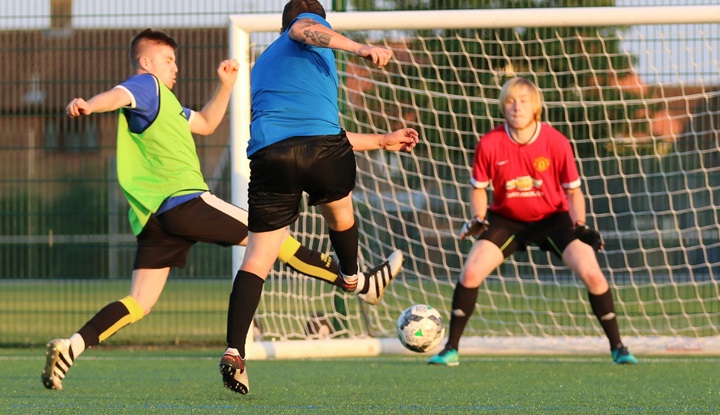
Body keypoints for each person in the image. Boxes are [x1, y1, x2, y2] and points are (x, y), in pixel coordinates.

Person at [42, 28, 415, 391]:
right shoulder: (147, 85)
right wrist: (90, 104)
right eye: (168, 59)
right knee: (275, 241)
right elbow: (118, 94)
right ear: (146, 62)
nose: (175, 67)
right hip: (186, 202)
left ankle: (71, 346)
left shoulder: (166, 106)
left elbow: (206, 123)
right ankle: (361, 284)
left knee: (139, 302)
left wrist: (225, 86)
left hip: (153, 218)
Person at [218, 0, 420, 395]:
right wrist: (360, 47)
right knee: (340, 216)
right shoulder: (306, 30)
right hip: (324, 151)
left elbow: (313, 128)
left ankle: (234, 350)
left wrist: (383, 140)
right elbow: (302, 30)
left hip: (270, 157)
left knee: (257, 259)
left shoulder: (266, 64)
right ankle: (354, 279)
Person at [428, 77, 638, 366]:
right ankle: (451, 348)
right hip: (507, 220)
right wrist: (478, 218)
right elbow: (478, 189)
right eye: (511, 101)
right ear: (503, 106)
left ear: (535, 107)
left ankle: (618, 348)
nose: (517, 107)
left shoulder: (556, 142)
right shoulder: (489, 143)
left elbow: (573, 191)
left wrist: (580, 225)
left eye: (523, 101)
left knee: (592, 272)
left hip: (553, 219)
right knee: (471, 271)